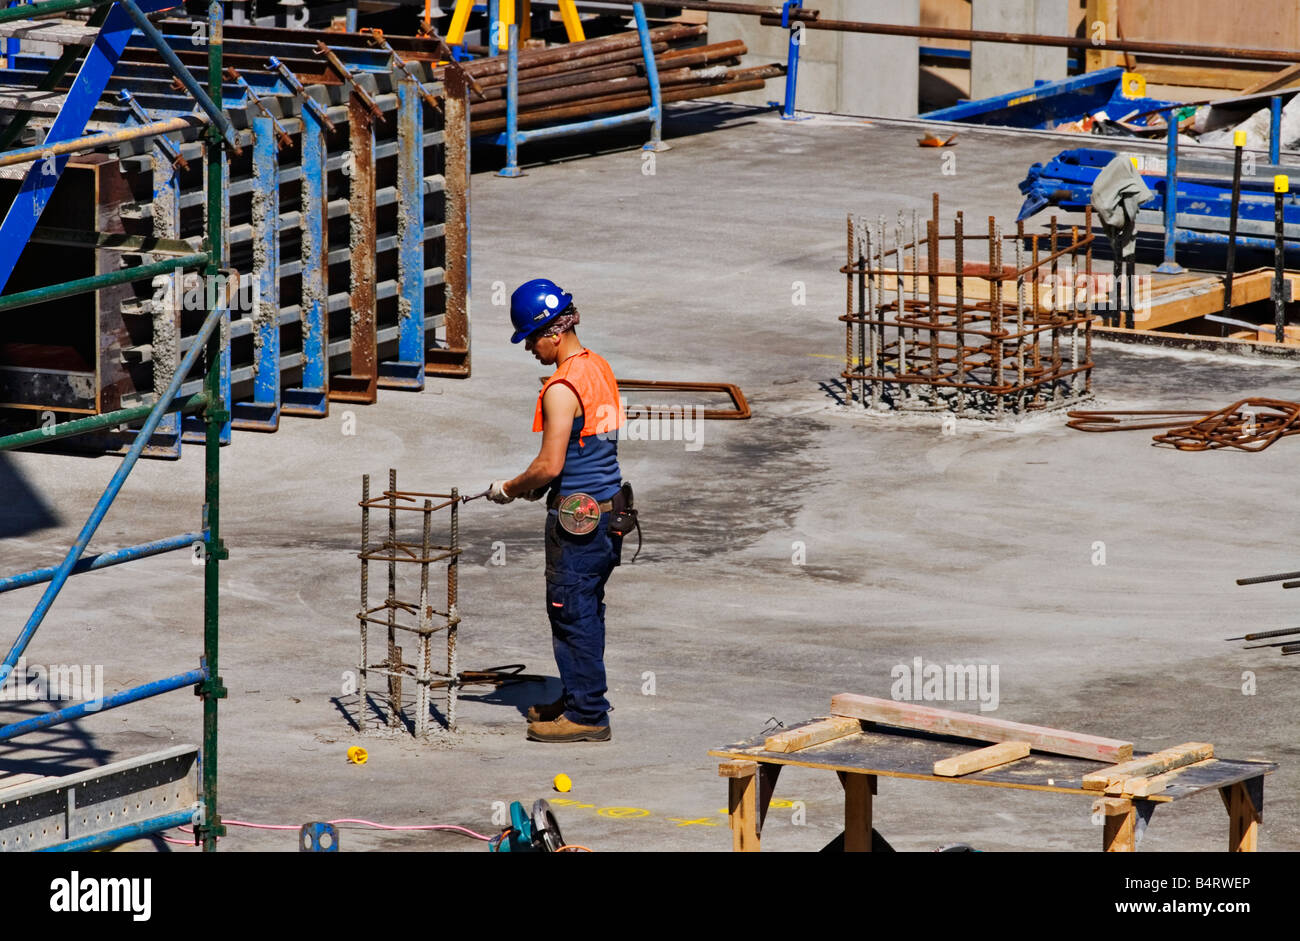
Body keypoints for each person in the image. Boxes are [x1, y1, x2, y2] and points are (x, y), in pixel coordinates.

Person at [487, 278, 628, 743]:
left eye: (530, 338)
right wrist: (542, 485)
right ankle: (576, 697)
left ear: (552, 332)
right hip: (608, 513)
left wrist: (510, 488)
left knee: (572, 613)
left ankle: (588, 715)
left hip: (578, 524)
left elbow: (549, 464)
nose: (529, 348)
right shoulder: (598, 367)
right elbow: (584, 450)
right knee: (586, 609)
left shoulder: (561, 388)